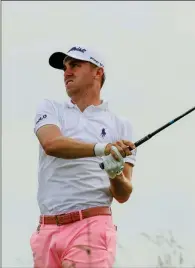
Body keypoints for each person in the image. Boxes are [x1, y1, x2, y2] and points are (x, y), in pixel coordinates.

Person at [30, 45, 137, 268]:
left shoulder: (121, 125)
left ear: (98, 72)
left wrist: (114, 173)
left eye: (75, 65)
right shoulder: (50, 108)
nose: (67, 72)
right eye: (65, 67)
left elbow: (123, 193)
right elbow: (51, 144)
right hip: (47, 228)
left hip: (91, 225)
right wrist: (103, 149)